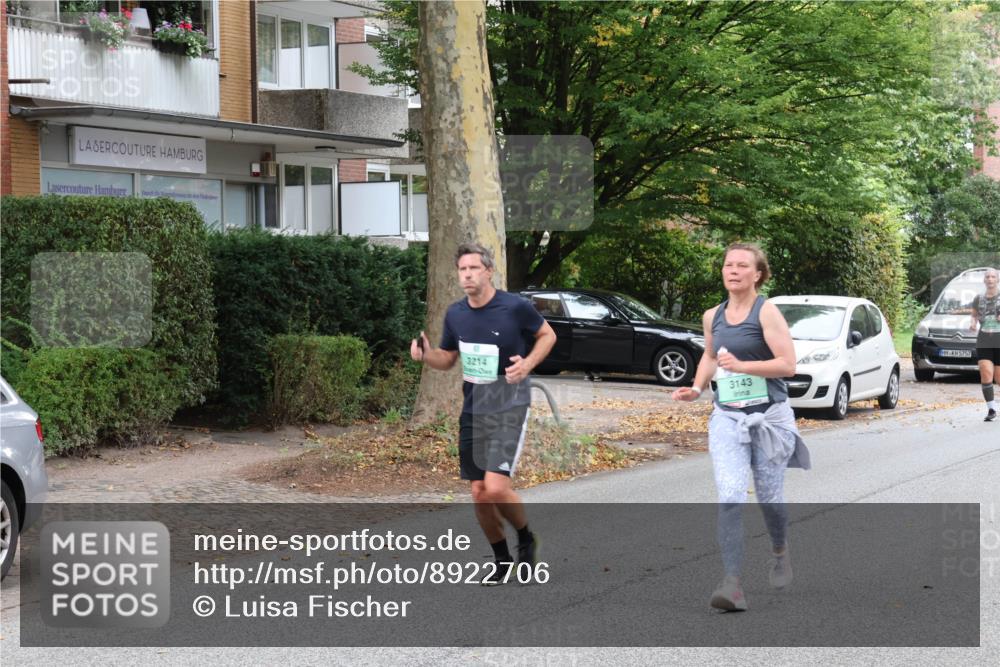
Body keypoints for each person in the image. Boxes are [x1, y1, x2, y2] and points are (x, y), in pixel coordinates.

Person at [671, 242, 810, 611]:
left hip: (770, 418)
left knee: (770, 500)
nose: (732, 270)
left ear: (758, 274)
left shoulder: (768, 312)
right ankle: (732, 583)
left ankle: (780, 552)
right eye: (728, 265)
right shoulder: (712, 315)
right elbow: (709, 354)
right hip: (727, 417)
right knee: (731, 495)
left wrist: (744, 367)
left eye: (742, 265)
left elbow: (788, 365)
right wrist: (698, 388)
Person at [410, 242, 557, 585]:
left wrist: (528, 363)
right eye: (462, 269)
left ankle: (524, 537)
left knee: (494, 487)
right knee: (478, 491)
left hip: (510, 405)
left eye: (474, 268)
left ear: (489, 271)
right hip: (474, 409)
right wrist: (426, 355)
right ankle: (502, 559)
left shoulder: (514, 307)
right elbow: (447, 360)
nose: (467, 275)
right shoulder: (456, 314)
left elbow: (548, 335)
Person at [970, 267, 1000, 422]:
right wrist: (973, 323)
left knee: (998, 377)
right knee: (986, 372)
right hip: (984, 339)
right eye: (987, 276)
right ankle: (991, 409)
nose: (990, 279)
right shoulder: (979, 298)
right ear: (984, 280)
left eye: (993, 276)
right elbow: (974, 314)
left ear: (997, 279)